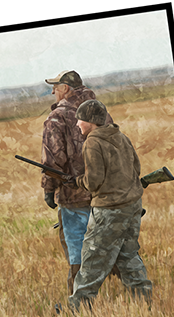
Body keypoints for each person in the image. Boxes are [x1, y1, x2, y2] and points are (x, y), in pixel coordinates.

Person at [64, 98, 152, 312]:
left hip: (109, 210)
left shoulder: (92, 142)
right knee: (128, 254)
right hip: (132, 206)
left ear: (90, 122)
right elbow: (136, 167)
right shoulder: (120, 136)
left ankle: (77, 308)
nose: (77, 124)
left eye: (80, 120)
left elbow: (93, 181)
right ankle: (144, 303)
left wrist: (77, 181)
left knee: (93, 258)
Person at [40, 70, 111, 295]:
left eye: (56, 87)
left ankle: (79, 303)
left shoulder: (57, 117)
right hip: (106, 193)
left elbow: (54, 159)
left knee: (77, 249)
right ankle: (136, 295)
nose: (53, 91)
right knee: (111, 242)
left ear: (67, 88)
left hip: (74, 196)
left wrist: (49, 190)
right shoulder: (100, 111)